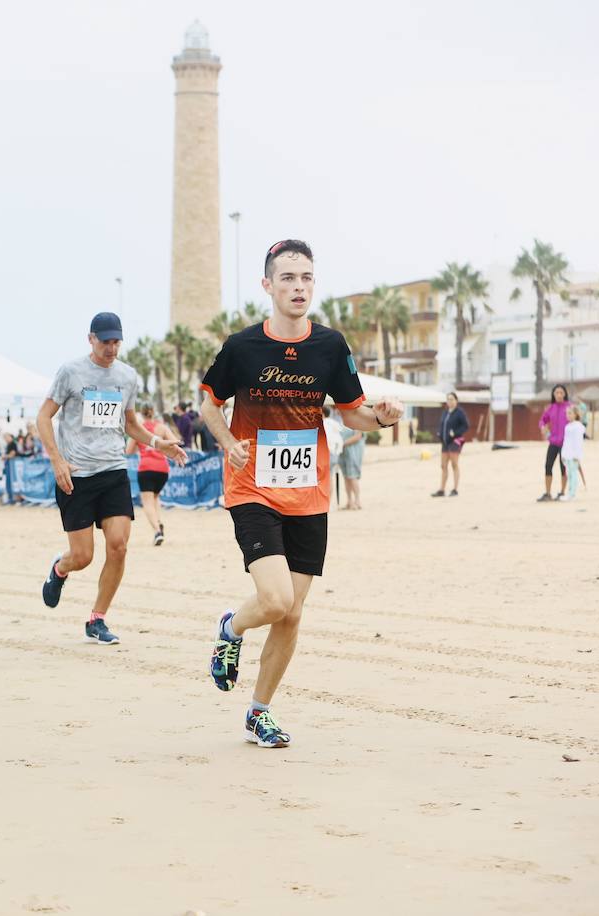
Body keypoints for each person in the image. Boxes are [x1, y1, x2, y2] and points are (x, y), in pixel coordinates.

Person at [200, 239, 403, 748]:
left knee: (291, 613)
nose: (298, 286)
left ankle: (259, 712)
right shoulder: (242, 347)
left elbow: (350, 409)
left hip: (309, 494)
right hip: (252, 488)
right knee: (273, 599)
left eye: (306, 278)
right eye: (287, 278)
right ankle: (231, 627)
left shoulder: (330, 346)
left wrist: (378, 417)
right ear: (267, 286)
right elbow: (208, 404)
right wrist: (227, 443)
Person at [37, 312, 186, 644]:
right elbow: (44, 416)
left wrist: (160, 444)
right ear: (91, 338)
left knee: (118, 546)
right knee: (83, 556)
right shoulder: (71, 372)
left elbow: (130, 424)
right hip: (76, 475)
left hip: (113, 470)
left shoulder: (127, 376)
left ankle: (97, 619)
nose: (112, 347)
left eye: (116, 341)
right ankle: (60, 569)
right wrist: (56, 460)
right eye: (105, 341)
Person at [126, 402, 174, 545]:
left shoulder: (138, 429)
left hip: (146, 468)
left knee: (147, 502)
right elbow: (173, 441)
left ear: (141, 413)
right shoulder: (162, 427)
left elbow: (128, 451)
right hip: (162, 469)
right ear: (153, 411)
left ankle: (157, 531)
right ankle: (159, 521)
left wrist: (141, 447)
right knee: (155, 497)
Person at [537, 384, 571, 501]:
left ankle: (562, 492)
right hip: (553, 442)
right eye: (557, 393)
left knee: (564, 468)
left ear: (565, 394)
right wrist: (542, 427)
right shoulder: (550, 408)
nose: (559, 395)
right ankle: (547, 493)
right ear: (553, 394)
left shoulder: (569, 407)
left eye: (561, 392)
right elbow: (542, 420)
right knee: (548, 466)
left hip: (566, 444)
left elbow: (577, 420)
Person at [432, 392, 469, 497]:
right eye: (448, 399)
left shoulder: (460, 412)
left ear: (456, 400)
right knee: (443, 466)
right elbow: (442, 425)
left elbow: (466, 426)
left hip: (455, 442)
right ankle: (441, 489)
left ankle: (455, 489)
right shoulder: (445, 412)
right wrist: (439, 433)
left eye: (452, 399)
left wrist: (455, 433)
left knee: (454, 464)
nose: (450, 401)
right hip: (444, 442)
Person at [557, 405, 585, 502]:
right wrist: (563, 454)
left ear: (575, 414)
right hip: (567, 454)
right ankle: (570, 492)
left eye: (570, 413)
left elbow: (578, 442)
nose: (568, 415)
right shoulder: (568, 427)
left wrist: (577, 455)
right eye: (567, 413)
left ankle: (572, 494)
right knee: (569, 474)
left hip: (574, 455)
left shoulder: (578, 427)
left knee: (573, 474)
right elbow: (566, 441)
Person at [337, 409, 364, 510]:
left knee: (352, 476)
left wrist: (342, 443)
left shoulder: (356, 420)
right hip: (342, 453)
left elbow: (358, 436)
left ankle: (357, 500)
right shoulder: (340, 421)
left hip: (353, 452)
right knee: (346, 476)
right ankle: (349, 501)